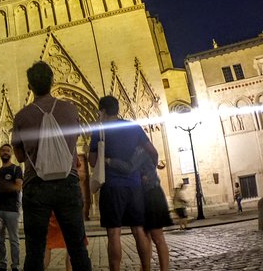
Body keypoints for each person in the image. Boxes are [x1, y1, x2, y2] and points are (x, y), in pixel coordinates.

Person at [12, 61, 92, 271]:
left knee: (35, 251)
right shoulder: (70, 109)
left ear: (30, 86)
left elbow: (19, 156)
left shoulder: (22, 116)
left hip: (36, 186)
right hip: (67, 183)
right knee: (77, 248)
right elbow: (73, 142)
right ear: (52, 82)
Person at [89, 95, 157, 271]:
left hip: (111, 187)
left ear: (102, 111)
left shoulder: (99, 131)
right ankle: (146, 269)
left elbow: (92, 161)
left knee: (114, 233)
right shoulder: (132, 127)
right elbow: (153, 152)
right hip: (134, 186)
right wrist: (148, 173)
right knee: (138, 230)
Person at [0, 143, 23, 271]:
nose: (5, 152)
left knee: (14, 240)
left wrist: (3, 185)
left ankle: (15, 265)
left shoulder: (16, 169)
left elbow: (18, 187)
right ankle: (2, 264)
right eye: (3, 150)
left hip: (12, 210)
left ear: (11, 153)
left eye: (7, 151)